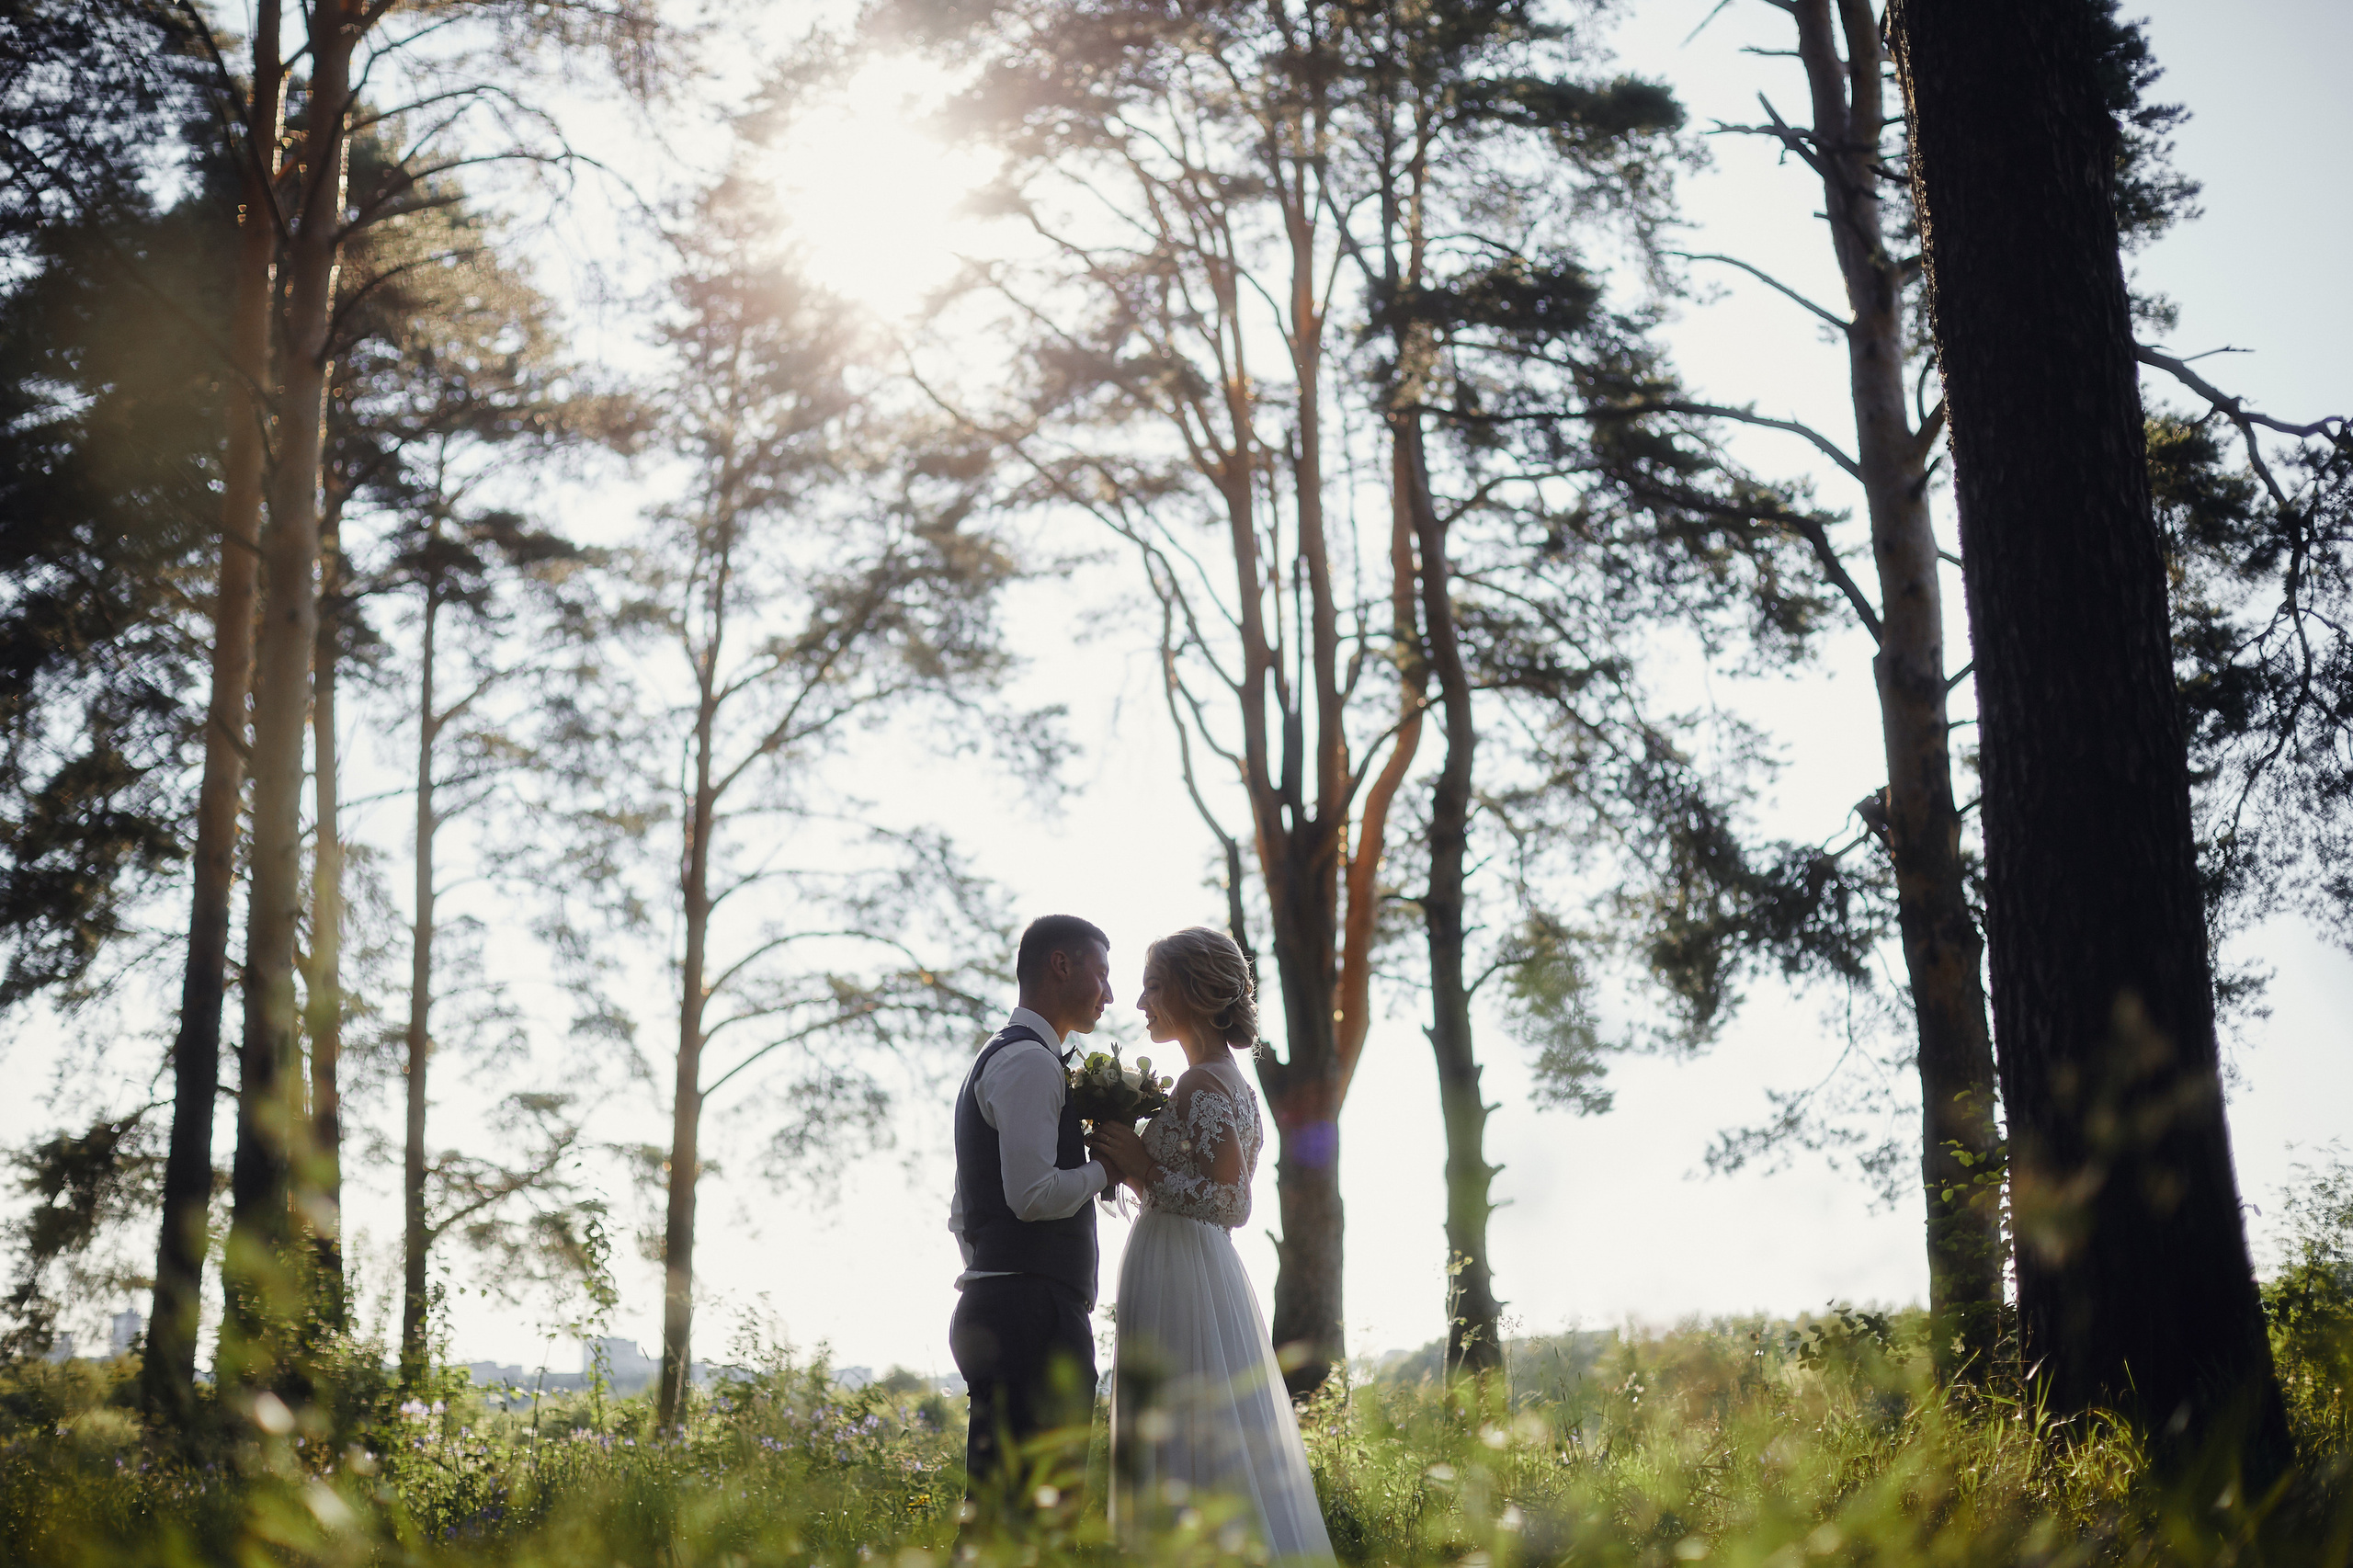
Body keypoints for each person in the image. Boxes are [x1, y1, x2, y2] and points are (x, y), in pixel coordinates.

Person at [1089, 926, 1336, 1563]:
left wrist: (1142, 1167)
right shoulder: (1223, 1081)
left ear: (1193, 992)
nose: (1141, 1003)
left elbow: (1232, 1203)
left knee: (1183, 1428)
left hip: (1184, 1270)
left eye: (1152, 986)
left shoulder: (1204, 1085)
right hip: (1186, 1262)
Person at [947, 914, 1144, 1528]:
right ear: (1061, 964)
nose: (1109, 994)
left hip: (1005, 1308)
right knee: (1034, 1524)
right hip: (1032, 1319)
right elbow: (1031, 1195)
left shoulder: (1005, 1058)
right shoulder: (1031, 1064)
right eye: (1102, 973)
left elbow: (962, 1213)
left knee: (1003, 1520)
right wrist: (1105, 1174)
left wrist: (993, 1277)